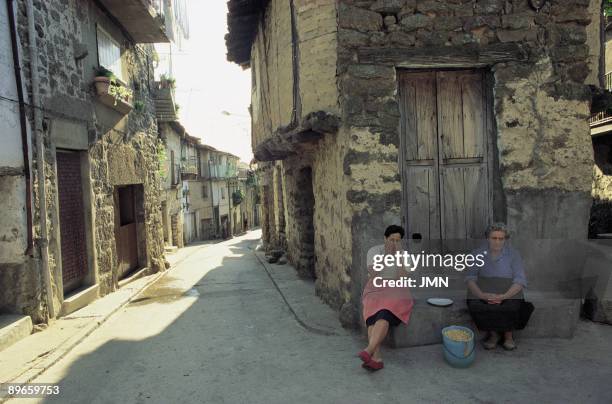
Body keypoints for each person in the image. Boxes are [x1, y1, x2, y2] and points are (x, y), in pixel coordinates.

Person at [465, 223, 534, 351]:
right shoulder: (477, 254)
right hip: (486, 287)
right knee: (477, 304)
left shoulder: (514, 254)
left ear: (505, 240)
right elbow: (470, 279)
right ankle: (493, 335)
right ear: (488, 238)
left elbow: (520, 280)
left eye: (501, 239)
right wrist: (482, 295)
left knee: (512, 305)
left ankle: (508, 336)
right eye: (494, 238)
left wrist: (504, 296)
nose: (497, 242)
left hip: (508, 288)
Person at [358, 225, 414, 371]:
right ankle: (376, 358)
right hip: (375, 287)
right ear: (385, 238)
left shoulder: (405, 255)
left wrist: (399, 257)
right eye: (391, 240)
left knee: (384, 312)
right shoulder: (374, 251)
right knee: (373, 316)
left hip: (397, 288)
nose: (394, 243)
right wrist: (387, 256)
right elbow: (373, 272)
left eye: (397, 240)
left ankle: (369, 351)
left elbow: (403, 277)